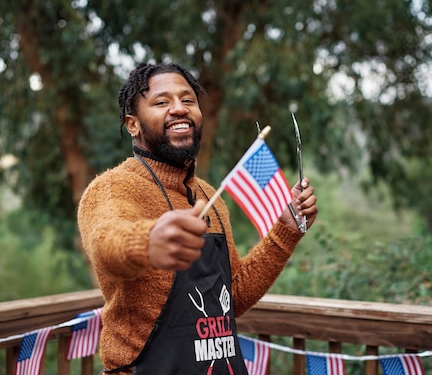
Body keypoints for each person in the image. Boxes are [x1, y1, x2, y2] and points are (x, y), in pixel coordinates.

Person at [77, 62, 318, 374]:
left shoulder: (208, 196)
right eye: (162, 102)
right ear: (132, 124)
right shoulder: (112, 188)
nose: (179, 109)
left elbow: (233, 296)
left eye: (188, 100)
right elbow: (105, 245)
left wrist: (285, 230)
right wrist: (149, 242)